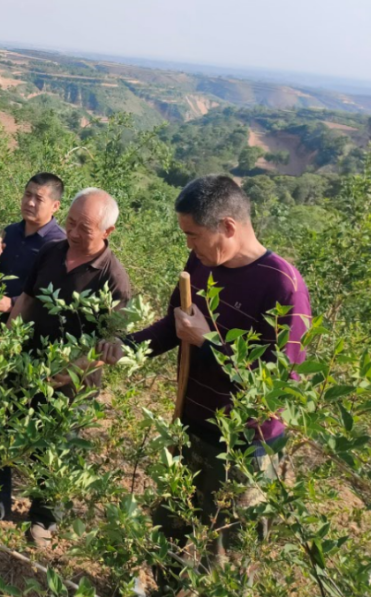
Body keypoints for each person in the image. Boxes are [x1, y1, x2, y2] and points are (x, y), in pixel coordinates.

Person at [100, 175, 311, 588]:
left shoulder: (282, 286)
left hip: (244, 446)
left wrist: (208, 341)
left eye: (193, 235)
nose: (189, 246)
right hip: (190, 422)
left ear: (228, 227)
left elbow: (275, 387)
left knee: (226, 554)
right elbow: (175, 325)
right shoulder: (200, 264)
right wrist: (128, 346)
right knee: (168, 529)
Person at [0, 188, 131, 547]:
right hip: (24, 361)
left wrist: (71, 369)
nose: (73, 233)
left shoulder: (114, 279)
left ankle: (43, 521)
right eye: (71, 223)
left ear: (108, 232)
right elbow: (27, 299)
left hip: (72, 384)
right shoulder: (51, 250)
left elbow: (111, 342)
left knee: (55, 452)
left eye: (85, 228)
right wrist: (7, 343)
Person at [0, 173, 66, 318]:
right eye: (28, 195)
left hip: (26, 326)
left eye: (39, 199)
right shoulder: (10, 232)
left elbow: (55, 292)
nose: (30, 202)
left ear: (55, 206)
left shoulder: (59, 243)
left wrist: (12, 303)